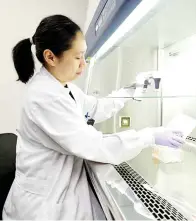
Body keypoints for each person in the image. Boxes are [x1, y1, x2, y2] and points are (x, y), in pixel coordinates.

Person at [2, 15, 184, 220]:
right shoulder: (44, 97)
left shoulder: (62, 87)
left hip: (59, 191)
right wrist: (149, 136)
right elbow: (94, 146)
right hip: (44, 206)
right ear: (51, 57)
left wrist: (131, 91)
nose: (83, 65)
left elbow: (95, 107)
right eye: (78, 57)